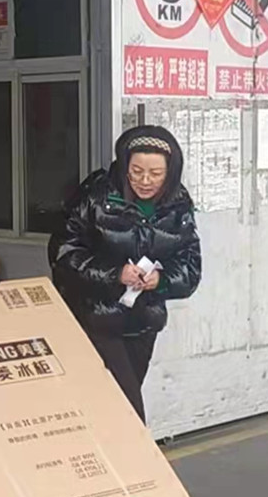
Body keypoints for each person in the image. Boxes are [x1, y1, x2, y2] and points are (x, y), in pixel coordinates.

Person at [48, 126, 201, 422]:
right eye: (137, 171)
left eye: (156, 173)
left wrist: (161, 280)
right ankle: (139, 452)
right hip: (97, 318)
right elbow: (63, 254)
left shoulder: (178, 204)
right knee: (128, 410)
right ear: (124, 165)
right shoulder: (97, 196)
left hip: (144, 322)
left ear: (170, 172)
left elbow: (191, 266)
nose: (145, 181)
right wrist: (115, 274)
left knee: (112, 408)